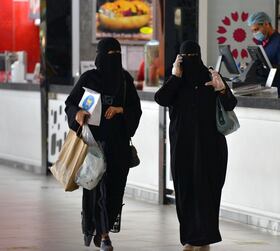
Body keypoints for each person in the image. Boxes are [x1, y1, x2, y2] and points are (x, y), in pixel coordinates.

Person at [154, 40, 237, 251]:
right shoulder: (176, 81)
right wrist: (175, 76)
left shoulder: (211, 76)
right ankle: (191, 239)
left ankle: (205, 239)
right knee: (186, 191)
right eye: (186, 58)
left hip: (211, 147)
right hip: (183, 147)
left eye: (193, 57)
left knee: (208, 192)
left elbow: (230, 104)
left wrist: (221, 89)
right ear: (179, 60)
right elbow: (160, 98)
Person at [65, 37, 142, 251]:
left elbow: (136, 110)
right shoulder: (89, 78)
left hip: (118, 148)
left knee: (115, 192)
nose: (113, 59)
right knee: (97, 192)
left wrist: (120, 110)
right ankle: (104, 235)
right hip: (94, 148)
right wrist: (78, 113)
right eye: (109, 54)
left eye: (116, 54)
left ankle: (103, 230)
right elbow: (70, 103)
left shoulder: (125, 80)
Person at [246, 11, 280, 94]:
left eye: (256, 29)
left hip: (278, 89)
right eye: (253, 31)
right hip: (264, 87)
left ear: (266, 24)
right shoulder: (261, 43)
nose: (255, 33)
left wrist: (266, 69)